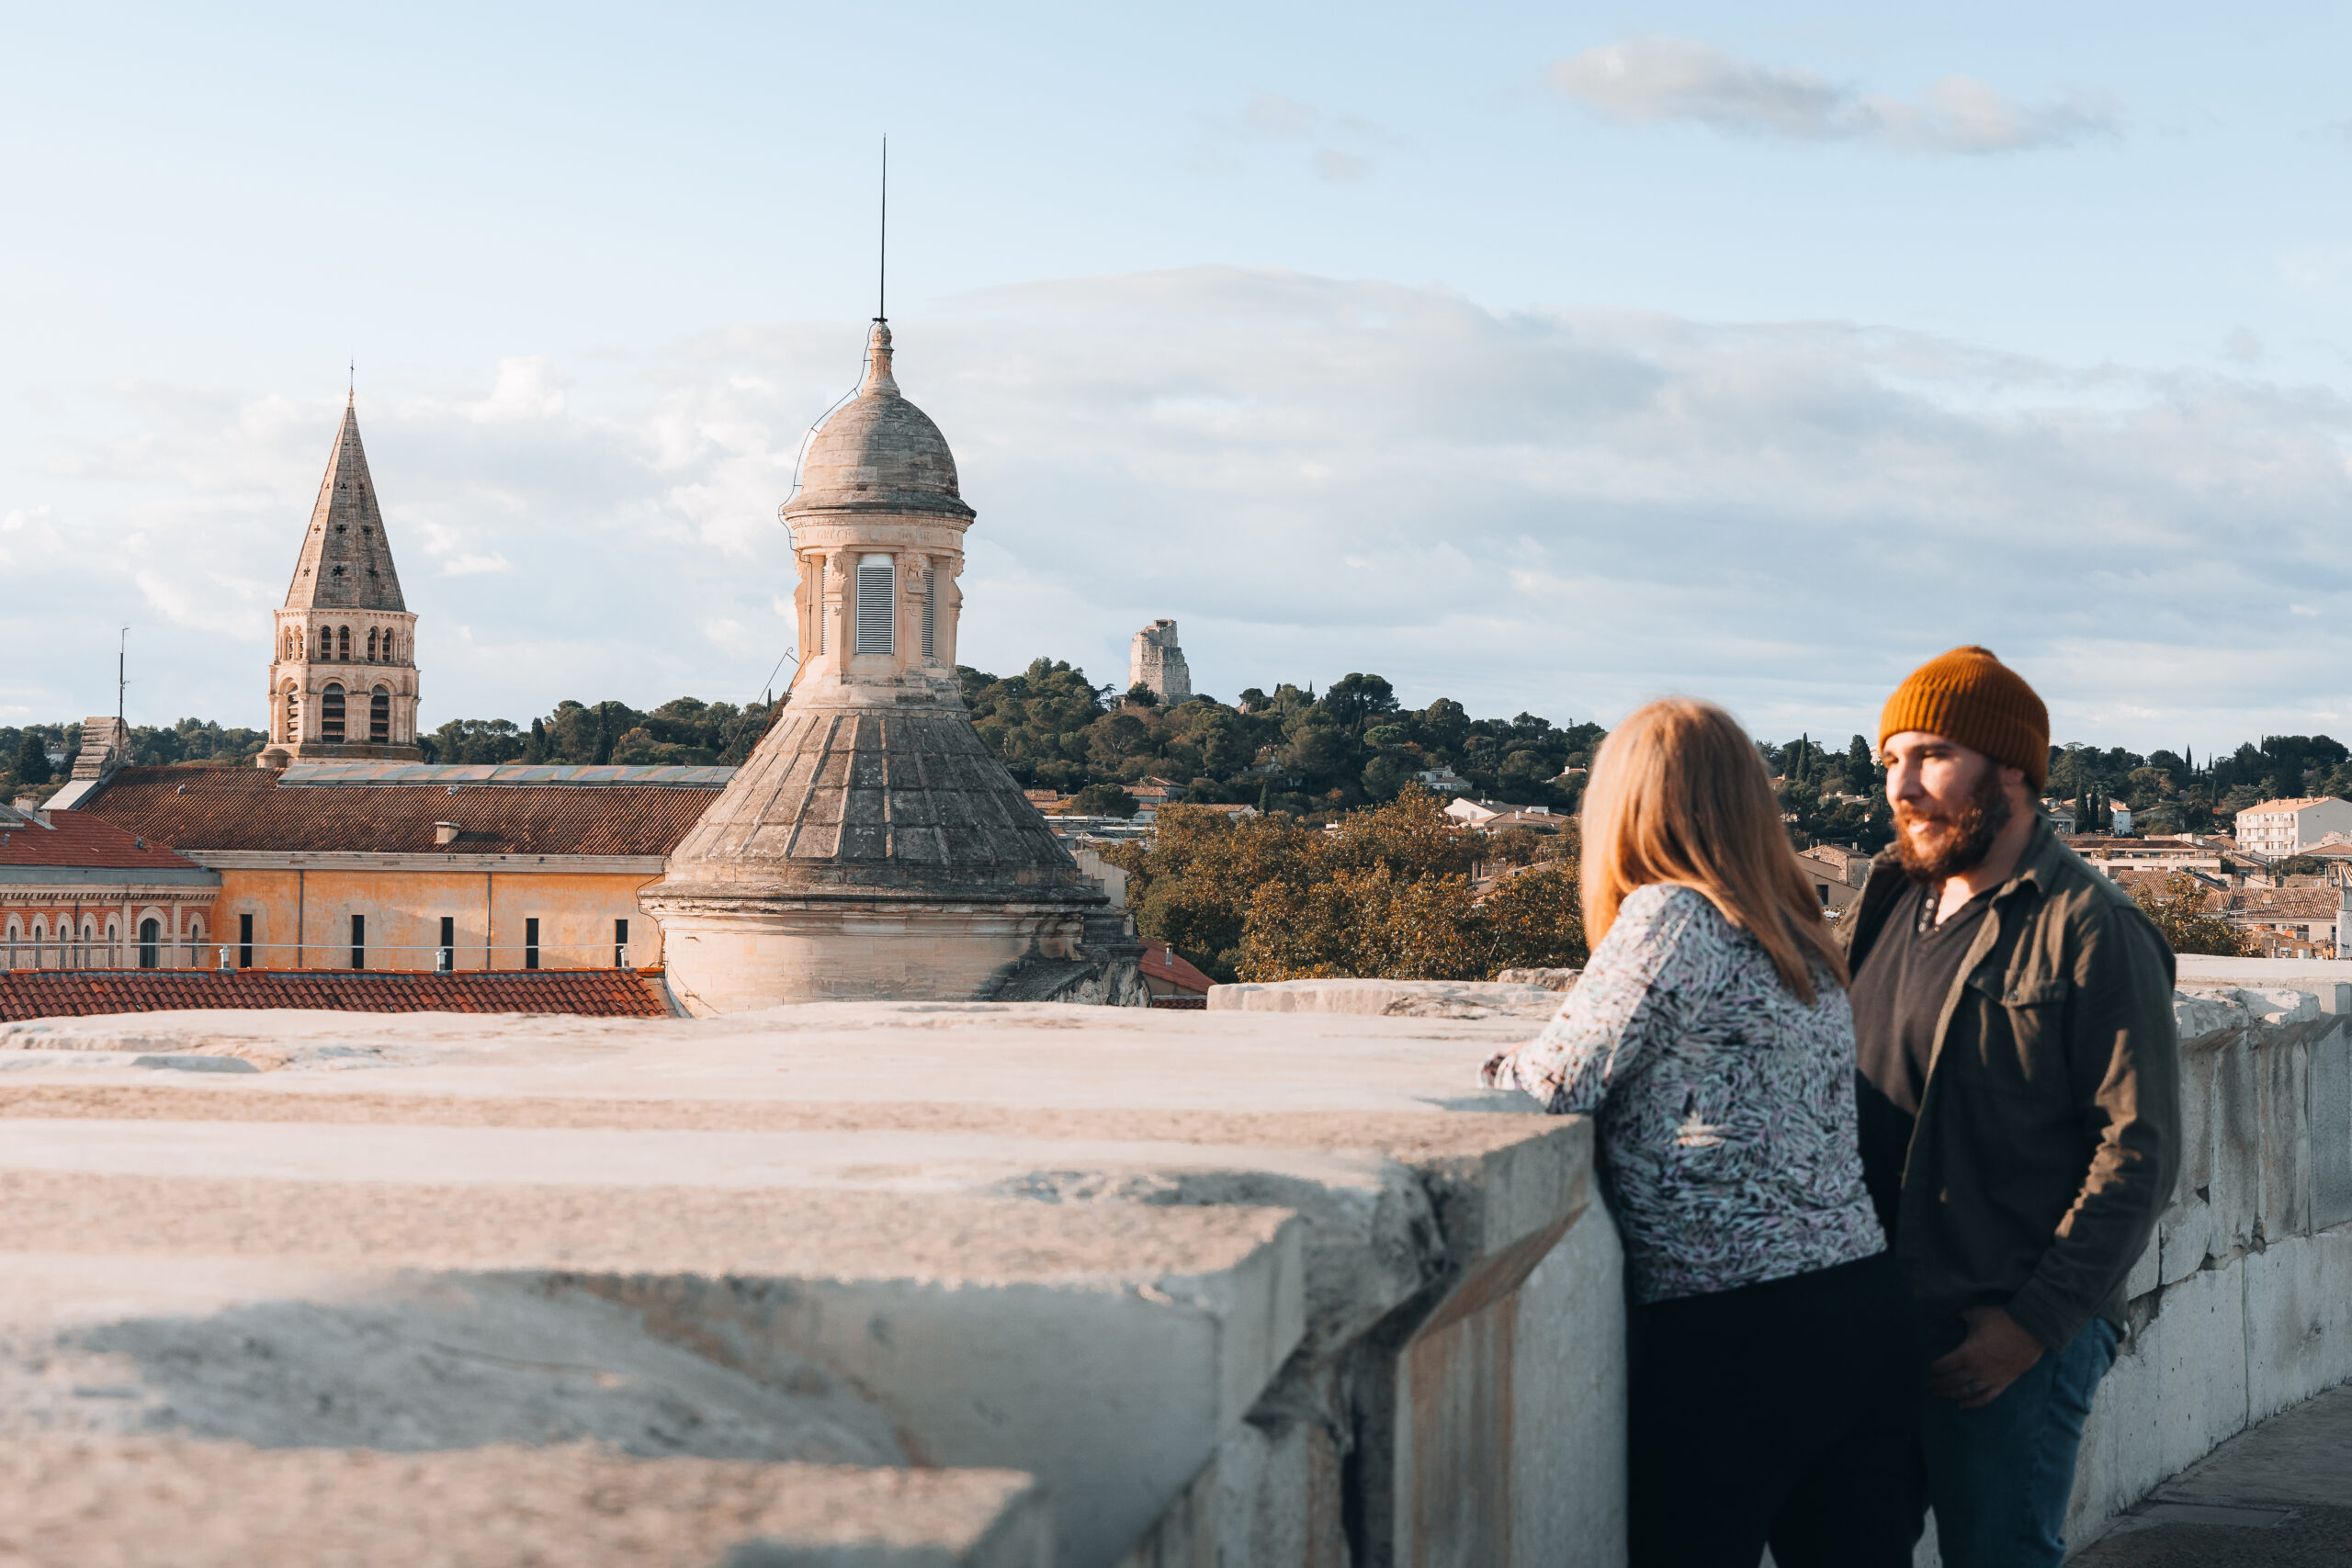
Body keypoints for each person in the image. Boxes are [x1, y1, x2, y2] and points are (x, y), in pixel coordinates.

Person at [1482, 697, 1917, 1568]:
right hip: (1862, 1311)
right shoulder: (1800, 932)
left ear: (1629, 806)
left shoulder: (1672, 917)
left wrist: (1498, 1067)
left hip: (1736, 1330)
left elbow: (1554, 1083)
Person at [1849, 647, 2179, 1568]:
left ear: (2011, 772)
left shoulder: (2091, 929)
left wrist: (2028, 1330)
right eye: (1889, 761)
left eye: (1930, 755)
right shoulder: (1886, 899)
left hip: (1999, 1338)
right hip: (1873, 1321)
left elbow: (2137, 1152)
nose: (1901, 785)